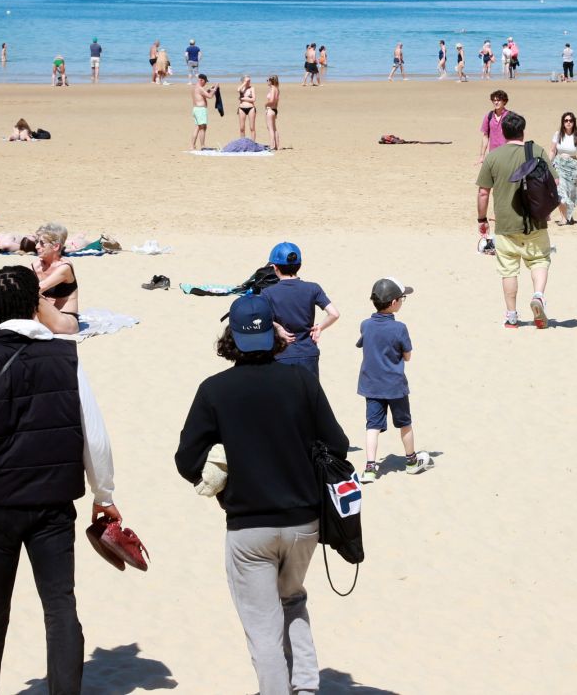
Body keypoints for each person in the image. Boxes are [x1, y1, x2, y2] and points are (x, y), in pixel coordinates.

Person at [0, 265, 119, 695]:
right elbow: (94, 435)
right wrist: (104, 494)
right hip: (54, 505)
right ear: (36, 304)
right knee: (60, 608)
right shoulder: (66, 356)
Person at [174, 292, 349, 695]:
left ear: (231, 336)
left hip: (249, 526)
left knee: (262, 627)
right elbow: (336, 445)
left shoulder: (214, 390)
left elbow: (187, 462)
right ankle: (305, 687)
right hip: (304, 523)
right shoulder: (302, 380)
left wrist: (224, 475)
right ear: (274, 333)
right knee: (292, 600)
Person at [476, 112, 558, 329]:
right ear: (523, 131)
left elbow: (483, 192)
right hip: (535, 221)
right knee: (539, 260)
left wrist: (481, 219)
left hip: (505, 225)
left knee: (509, 270)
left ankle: (512, 316)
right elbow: (554, 181)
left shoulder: (493, 156)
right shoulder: (537, 150)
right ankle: (538, 296)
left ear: (502, 132)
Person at [356, 277, 433, 483]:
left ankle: (370, 468)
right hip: (394, 385)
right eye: (402, 298)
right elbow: (407, 356)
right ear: (393, 303)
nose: (402, 301)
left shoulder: (365, 324)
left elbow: (363, 343)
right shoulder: (399, 328)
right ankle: (411, 462)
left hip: (370, 384)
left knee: (372, 425)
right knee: (404, 423)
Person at [262, 242, 340, 376]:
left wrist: (278, 328)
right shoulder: (313, 288)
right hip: (308, 354)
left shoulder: (267, 292)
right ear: (299, 265)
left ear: (275, 267)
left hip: (282, 354)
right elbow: (334, 314)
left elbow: (261, 319)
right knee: (309, 395)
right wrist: (319, 327)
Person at [32, 222, 80, 335]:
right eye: (36, 242)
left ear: (56, 246)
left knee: (30, 294)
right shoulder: (36, 265)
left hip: (65, 321)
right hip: (45, 318)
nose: (36, 246)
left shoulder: (64, 268)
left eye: (42, 243)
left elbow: (39, 288)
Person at [547, 111, 577, 224]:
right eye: (566, 120)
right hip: (559, 165)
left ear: (574, 122)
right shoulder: (558, 134)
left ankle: (569, 216)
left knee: (571, 193)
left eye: (570, 120)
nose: (568, 122)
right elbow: (552, 150)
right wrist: (548, 165)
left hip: (573, 167)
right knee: (560, 191)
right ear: (563, 122)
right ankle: (564, 218)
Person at [477, 90, 511, 165]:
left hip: (507, 154)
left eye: (498, 100)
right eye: (494, 100)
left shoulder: (510, 116)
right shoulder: (488, 116)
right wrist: (482, 156)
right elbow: (485, 136)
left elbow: (516, 137)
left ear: (504, 102)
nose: (496, 102)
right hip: (493, 154)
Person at [191, 74, 213, 151]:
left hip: (195, 109)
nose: (205, 83)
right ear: (201, 80)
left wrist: (209, 90)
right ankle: (202, 146)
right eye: (205, 82)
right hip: (200, 110)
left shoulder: (195, 87)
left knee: (197, 127)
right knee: (202, 128)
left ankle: (192, 146)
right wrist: (215, 89)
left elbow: (201, 95)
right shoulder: (200, 88)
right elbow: (210, 96)